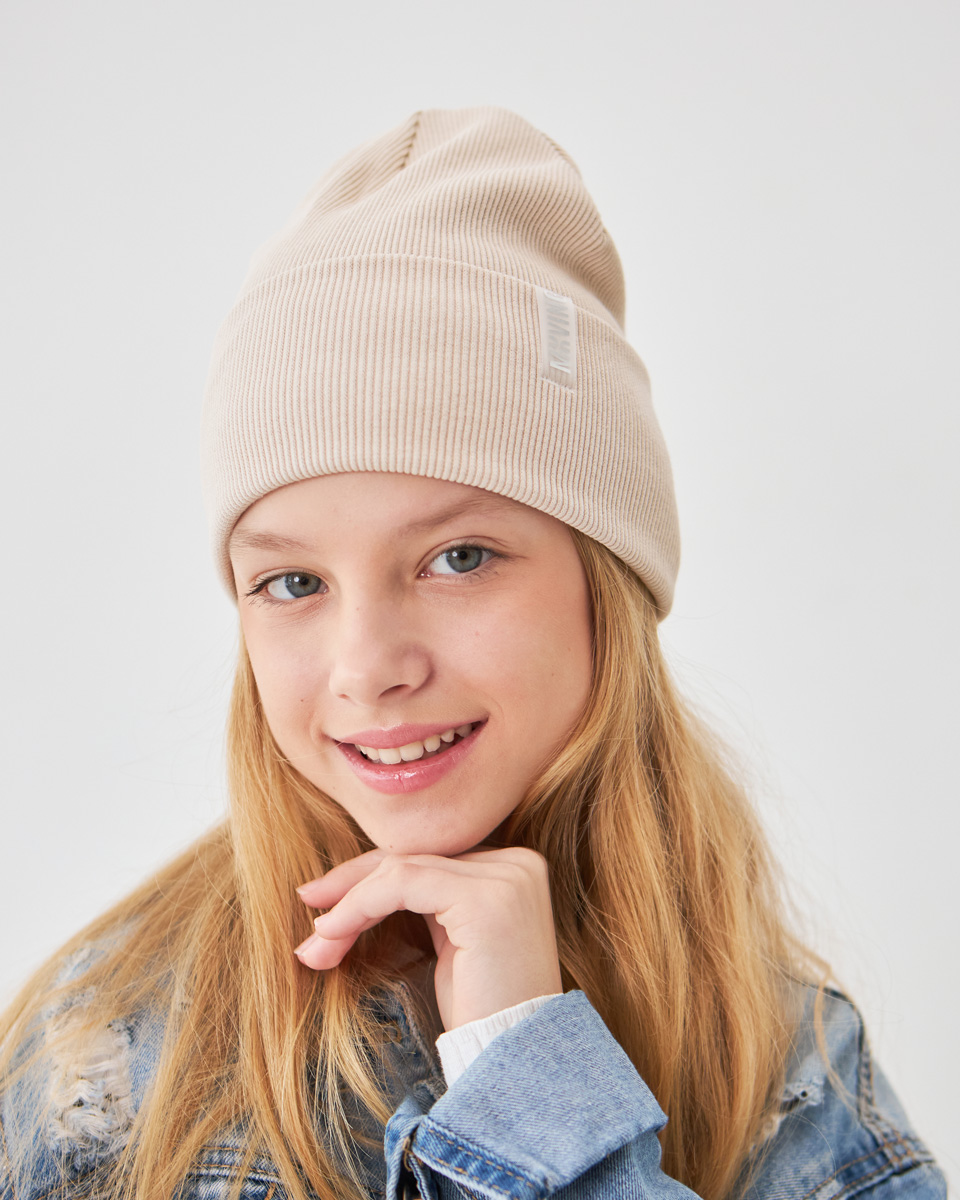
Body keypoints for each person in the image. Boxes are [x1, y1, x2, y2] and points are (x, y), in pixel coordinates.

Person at [0, 107, 945, 1200]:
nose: (368, 667)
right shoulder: (113, 1063)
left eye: (458, 558)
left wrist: (522, 1063)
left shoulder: (782, 1059)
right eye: (293, 582)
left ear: (607, 580)